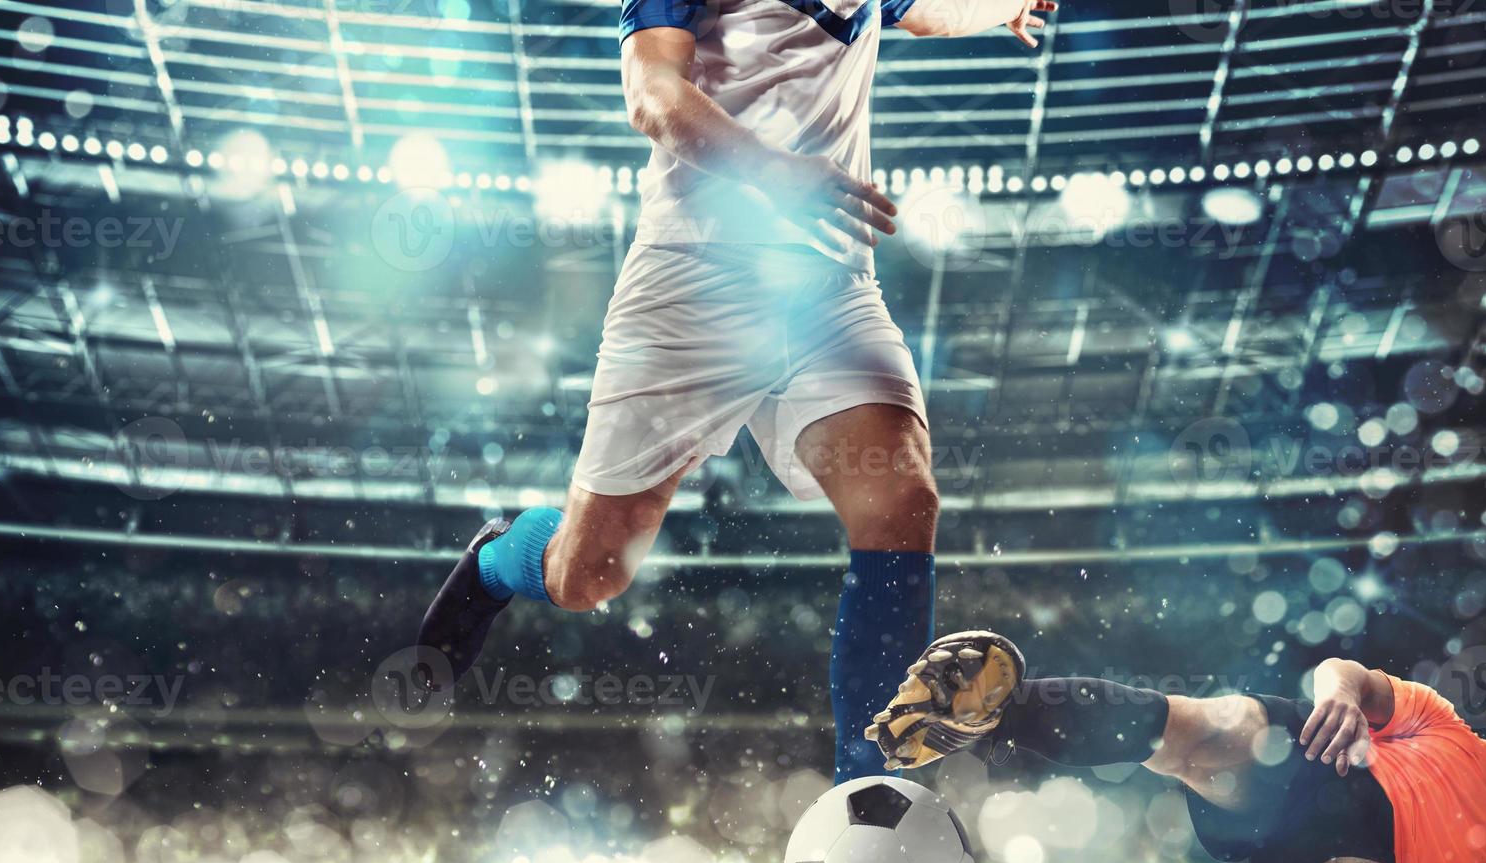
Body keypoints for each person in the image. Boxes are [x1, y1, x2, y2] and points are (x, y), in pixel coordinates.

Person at [417, 0, 1059, 782]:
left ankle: (870, 783)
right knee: (588, 577)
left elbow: (925, 13)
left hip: (828, 282)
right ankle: (497, 558)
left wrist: (1004, 9)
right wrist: (779, 172)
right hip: (693, 281)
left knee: (901, 495)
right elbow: (653, 94)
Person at [869, 630, 1483, 863]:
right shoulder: (1449, 727)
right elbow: (1342, 671)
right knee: (1217, 734)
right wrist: (1342, 697)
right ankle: (990, 714)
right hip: (1330, 760)